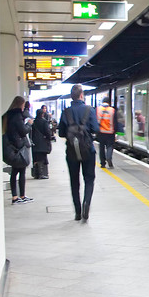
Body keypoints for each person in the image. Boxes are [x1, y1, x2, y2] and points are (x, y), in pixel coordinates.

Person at [58, 84, 99, 221]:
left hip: (71, 152)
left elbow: (61, 133)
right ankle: (86, 202)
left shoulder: (66, 112)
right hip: (88, 150)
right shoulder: (89, 110)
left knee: (74, 181)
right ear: (82, 95)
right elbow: (96, 129)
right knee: (89, 179)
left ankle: (77, 211)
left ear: (71, 96)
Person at [3, 96, 33, 204]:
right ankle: (19, 196)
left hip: (12, 147)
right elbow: (23, 131)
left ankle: (17, 196)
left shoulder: (9, 114)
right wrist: (29, 124)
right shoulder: (17, 116)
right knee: (21, 171)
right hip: (18, 147)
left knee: (15, 172)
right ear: (21, 104)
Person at [96, 97, 119, 169]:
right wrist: (116, 132)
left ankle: (102, 163)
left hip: (101, 132)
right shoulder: (112, 110)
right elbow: (115, 122)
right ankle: (109, 158)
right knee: (110, 146)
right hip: (110, 132)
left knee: (101, 147)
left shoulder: (98, 109)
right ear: (109, 102)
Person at [31, 106, 53, 179]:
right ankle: (42, 174)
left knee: (36, 158)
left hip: (35, 142)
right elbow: (47, 132)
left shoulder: (34, 122)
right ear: (42, 114)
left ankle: (36, 173)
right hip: (43, 142)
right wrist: (49, 138)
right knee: (42, 158)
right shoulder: (44, 122)